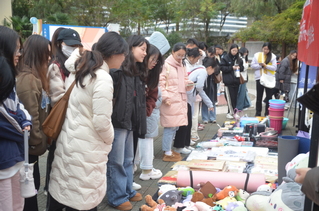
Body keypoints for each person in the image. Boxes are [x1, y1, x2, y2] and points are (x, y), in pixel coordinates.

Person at [47, 32, 127, 211]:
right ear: (114, 53)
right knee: (84, 200)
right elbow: (101, 122)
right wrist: (110, 139)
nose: (124, 58)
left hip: (70, 142)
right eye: (124, 54)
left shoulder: (80, 69)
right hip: (88, 151)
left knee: (64, 192)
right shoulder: (103, 78)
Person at [107, 35, 148, 211]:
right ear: (131, 48)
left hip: (130, 121)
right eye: (143, 49)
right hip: (118, 121)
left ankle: (127, 189)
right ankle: (116, 196)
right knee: (116, 161)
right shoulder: (119, 69)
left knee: (128, 159)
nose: (145, 53)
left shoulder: (136, 70)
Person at [44, 28, 82, 197]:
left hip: (73, 117)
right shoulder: (55, 66)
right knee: (56, 153)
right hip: (61, 118)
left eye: (77, 45)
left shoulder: (77, 63)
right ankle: (49, 188)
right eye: (70, 44)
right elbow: (57, 97)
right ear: (60, 44)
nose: (74, 48)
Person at [15, 35, 51, 211]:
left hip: (29, 149)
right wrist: (38, 142)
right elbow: (31, 117)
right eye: (47, 54)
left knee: (31, 189)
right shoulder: (28, 79)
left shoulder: (31, 76)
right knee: (28, 192)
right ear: (38, 54)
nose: (49, 58)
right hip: (28, 149)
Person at [0, 26, 32, 211]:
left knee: (17, 205)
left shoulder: (10, 78)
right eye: (16, 48)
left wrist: (25, 121)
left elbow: (19, 107)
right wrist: (22, 131)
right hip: (4, 162)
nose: (19, 53)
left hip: (15, 158)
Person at [159, 42, 194, 161]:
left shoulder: (182, 65)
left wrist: (188, 84)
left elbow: (184, 79)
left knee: (175, 127)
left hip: (180, 99)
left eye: (182, 55)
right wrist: (165, 97)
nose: (180, 58)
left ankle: (169, 149)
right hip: (171, 99)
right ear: (172, 52)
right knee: (170, 126)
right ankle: (167, 150)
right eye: (178, 55)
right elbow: (161, 83)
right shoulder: (166, 65)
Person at [138, 44, 164, 181]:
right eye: (152, 59)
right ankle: (146, 169)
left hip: (147, 112)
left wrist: (147, 110)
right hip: (139, 114)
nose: (154, 63)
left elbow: (153, 95)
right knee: (145, 139)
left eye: (157, 60)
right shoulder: (135, 72)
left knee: (143, 138)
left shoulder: (152, 75)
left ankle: (143, 167)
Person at [251, 42, 277, 116]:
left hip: (269, 78)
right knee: (259, 96)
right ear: (262, 48)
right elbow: (252, 65)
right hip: (259, 78)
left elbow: (274, 67)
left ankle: (267, 113)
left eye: (267, 49)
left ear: (270, 50)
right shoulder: (257, 55)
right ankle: (258, 113)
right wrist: (261, 66)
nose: (265, 50)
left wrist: (266, 66)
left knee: (269, 96)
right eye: (264, 49)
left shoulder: (273, 56)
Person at [184, 47, 205, 142]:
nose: (198, 60)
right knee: (191, 116)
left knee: (194, 115)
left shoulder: (193, 63)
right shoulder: (185, 64)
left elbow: (203, 56)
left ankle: (192, 135)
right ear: (192, 57)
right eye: (197, 58)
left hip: (194, 92)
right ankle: (190, 135)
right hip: (188, 93)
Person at [219, 44, 244, 119]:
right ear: (230, 50)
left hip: (236, 81)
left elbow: (242, 68)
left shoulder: (239, 59)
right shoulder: (225, 58)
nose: (234, 52)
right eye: (233, 50)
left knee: (235, 98)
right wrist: (231, 68)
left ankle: (234, 112)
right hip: (228, 81)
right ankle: (230, 112)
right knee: (229, 97)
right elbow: (222, 68)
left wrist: (239, 67)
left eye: (236, 51)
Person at [202, 46, 219, 123]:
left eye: (213, 54)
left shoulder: (216, 60)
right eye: (210, 54)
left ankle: (212, 117)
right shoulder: (203, 59)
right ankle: (205, 118)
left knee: (212, 100)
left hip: (212, 82)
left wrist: (214, 69)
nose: (211, 56)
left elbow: (219, 69)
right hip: (205, 82)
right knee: (205, 100)